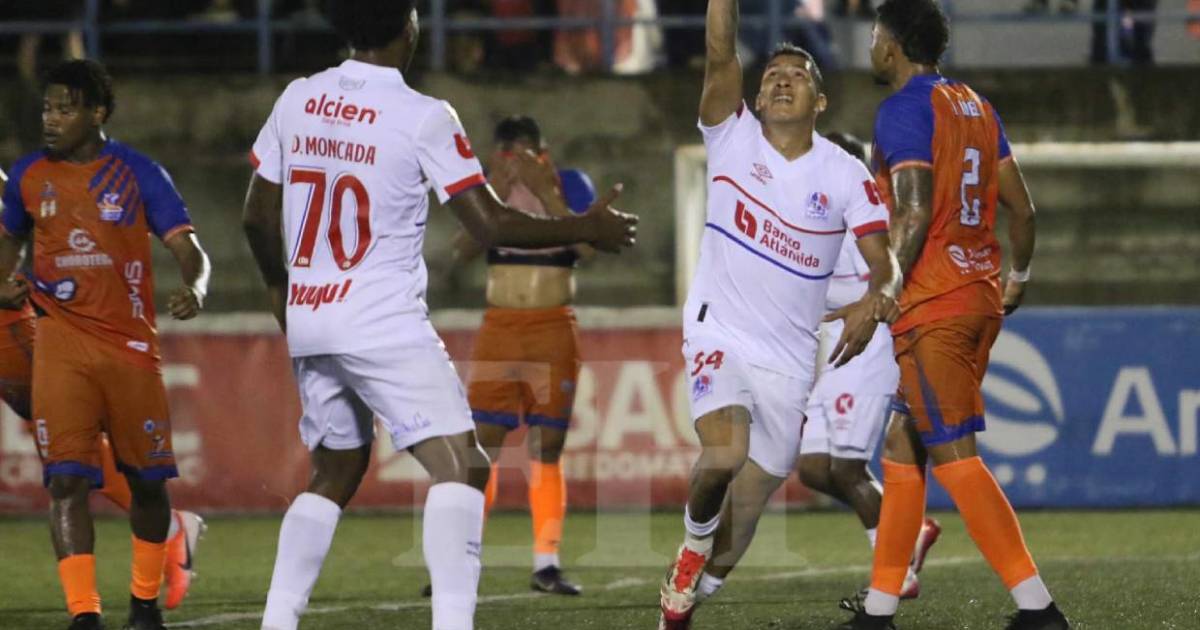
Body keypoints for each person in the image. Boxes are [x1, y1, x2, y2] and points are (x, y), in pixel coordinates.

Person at [241, 2, 636, 629]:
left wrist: (280, 289)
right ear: (409, 27)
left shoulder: (298, 97)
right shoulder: (423, 114)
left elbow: (256, 217)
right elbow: (490, 224)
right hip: (379, 319)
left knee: (335, 468)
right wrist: (585, 226)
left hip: (311, 317)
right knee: (463, 464)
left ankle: (277, 622)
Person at [657, 0, 902, 626]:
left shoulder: (845, 174)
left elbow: (886, 262)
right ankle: (690, 552)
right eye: (772, 76)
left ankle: (689, 596)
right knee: (723, 455)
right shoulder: (730, 136)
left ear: (820, 101)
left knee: (751, 499)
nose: (783, 81)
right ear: (757, 97)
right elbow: (720, 51)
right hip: (719, 331)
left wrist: (877, 300)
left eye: (798, 75)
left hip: (791, 361)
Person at [838, 1, 1068, 628]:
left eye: (875, 36)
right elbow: (1023, 211)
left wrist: (884, 290)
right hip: (977, 292)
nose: (871, 47)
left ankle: (1038, 609)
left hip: (934, 302)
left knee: (956, 456)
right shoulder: (976, 106)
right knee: (901, 444)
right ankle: (880, 609)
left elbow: (913, 211)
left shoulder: (902, 110)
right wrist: (1017, 279)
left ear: (892, 45)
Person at [0, 59, 212, 630]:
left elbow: (190, 250)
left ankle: (143, 604)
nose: (51, 119)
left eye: (64, 109)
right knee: (65, 480)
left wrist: (194, 287)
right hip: (59, 343)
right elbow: (7, 244)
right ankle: (84, 615)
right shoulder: (28, 176)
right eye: (47, 108)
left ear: (96, 114)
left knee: (148, 482)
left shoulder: (138, 173)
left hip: (128, 348)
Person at [450, 115, 595, 596]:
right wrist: (493, 193)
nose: (520, 161)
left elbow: (588, 248)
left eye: (529, 151)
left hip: (552, 327)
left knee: (546, 447)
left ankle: (546, 562)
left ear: (544, 151)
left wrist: (547, 193)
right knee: (482, 446)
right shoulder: (485, 191)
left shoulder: (570, 184)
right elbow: (460, 251)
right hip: (501, 328)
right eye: (510, 152)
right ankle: (463, 558)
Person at [794, 131, 939, 602]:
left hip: (868, 344)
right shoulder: (817, 211)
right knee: (814, 469)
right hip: (838, 345)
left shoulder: (859, 216)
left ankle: (897, 570)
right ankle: (909, 530)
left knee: (846, 466)